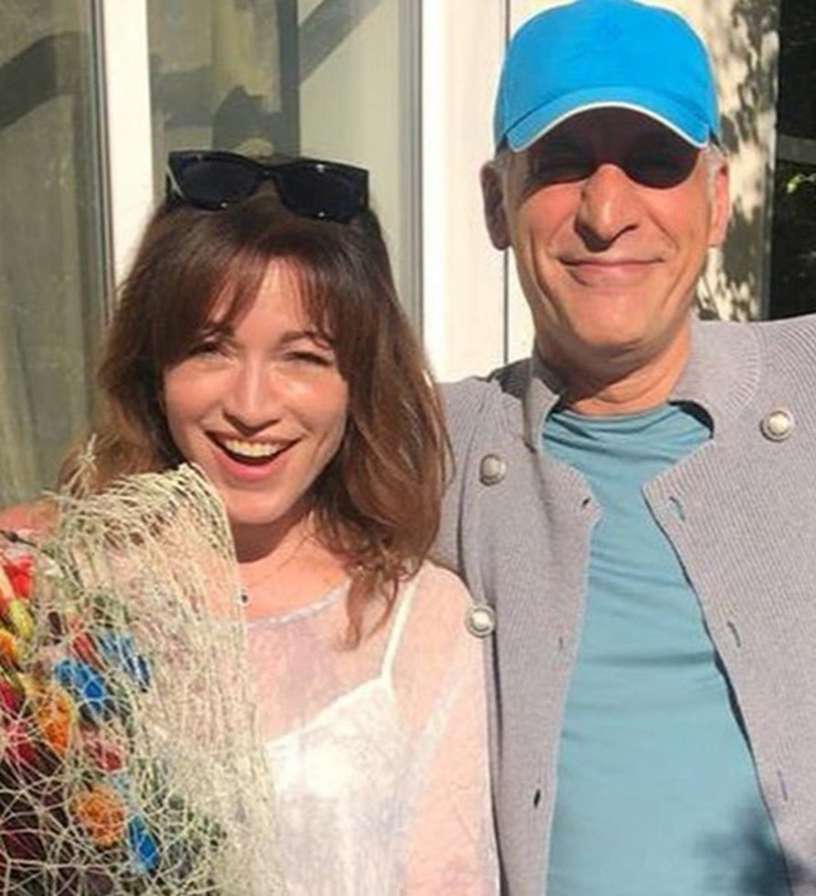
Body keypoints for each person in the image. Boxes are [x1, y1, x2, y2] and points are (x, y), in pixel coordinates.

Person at [436, 2, 816, 894]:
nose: (606, 212)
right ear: (496, 204)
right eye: (561, 164)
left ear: (718, 199)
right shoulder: (434, 451)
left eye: (655, 163)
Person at [7, 152, 497, 894]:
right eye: (211, 349)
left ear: (358, 382)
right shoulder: (48, 589)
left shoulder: (421, 618)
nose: (251, 405)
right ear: (154, 368)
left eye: (303, 358)